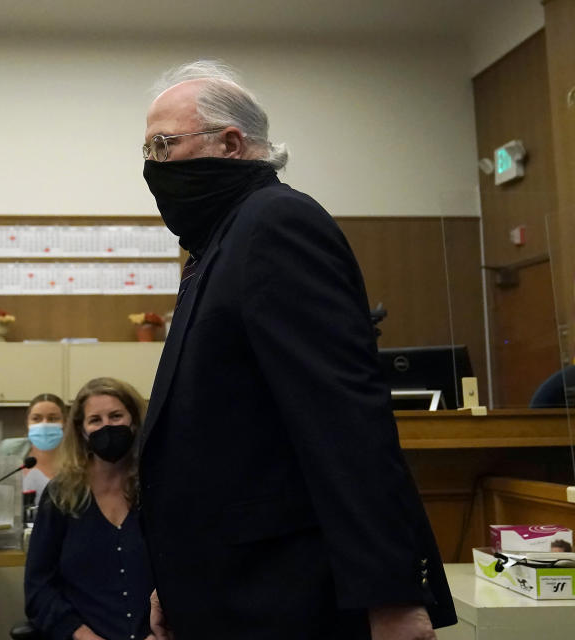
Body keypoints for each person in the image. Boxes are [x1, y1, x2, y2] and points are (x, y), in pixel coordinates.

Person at [137, 60, 457, 640]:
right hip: (223, 591)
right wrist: (174, 578)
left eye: (162, 145)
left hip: (282, 599)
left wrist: (393, 598)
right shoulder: (218, 244)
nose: (150, 167)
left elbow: (344, 420)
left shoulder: (276, 224)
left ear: (230, 143)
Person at [25, 378, 154, 640]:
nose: (107, 426)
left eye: (116, 416)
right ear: (82, 430)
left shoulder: (156, 490)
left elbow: (185, 572)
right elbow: (38, 589)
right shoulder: (62, 495)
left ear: (134, 421)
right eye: (95, 420)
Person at [0, 393, 66, 504]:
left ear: (65, 422)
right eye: (36, 418)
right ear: (28, 423)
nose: (44, 424)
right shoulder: (10, 450)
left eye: (53, 419)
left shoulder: (77, 456)